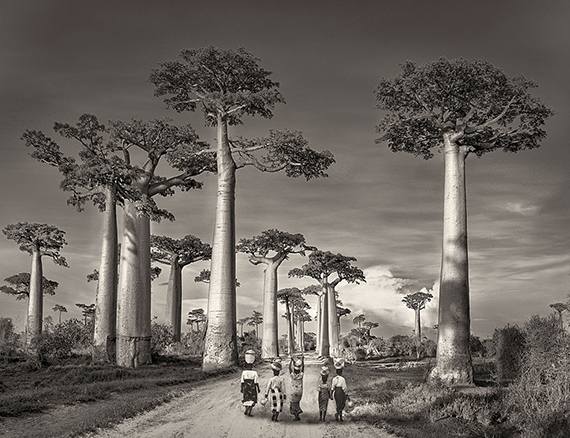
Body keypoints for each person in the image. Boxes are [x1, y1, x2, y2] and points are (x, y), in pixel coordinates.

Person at [240, 350, 260, 417]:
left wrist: (241, 388)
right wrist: (258, 388)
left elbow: (242, 381)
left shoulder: (244, 372)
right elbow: (256, 382)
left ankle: (246, 409)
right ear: (252, 366)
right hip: (252, 387)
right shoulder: (254, 372)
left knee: (246, 399)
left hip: (246, 386)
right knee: (252, 399)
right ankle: (249, 411)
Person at [330, 357, 349, 422]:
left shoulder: (334, 379)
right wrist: (346, 394)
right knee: (342, 404)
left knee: (338, 404)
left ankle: (339, 416)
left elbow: (332, 388)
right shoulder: (342, 379)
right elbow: (344, 388)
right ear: (341, 372)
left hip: (336, 392)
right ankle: (338, 415)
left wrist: (331, 395)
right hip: (341, 392)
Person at [289, 355, 304, 421]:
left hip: (294, 391)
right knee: (297, 402)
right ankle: (297, 415)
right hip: (300, 391)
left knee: (293, 403)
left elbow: (289, 368)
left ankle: (296, 416)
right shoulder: (301, 375)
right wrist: (302, 360)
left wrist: (291, 361)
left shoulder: (293, 375)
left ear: (294, 370)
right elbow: (303, 368)